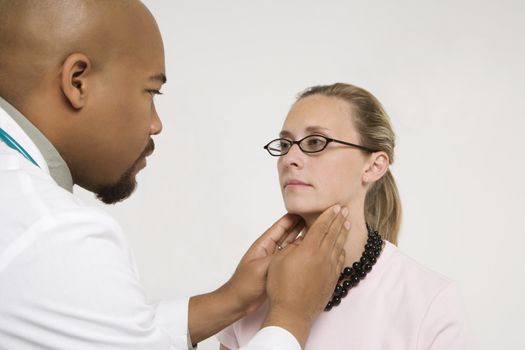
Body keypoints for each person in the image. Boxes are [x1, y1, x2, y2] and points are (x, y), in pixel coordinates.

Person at [0, 1, 352, 349]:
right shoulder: (52, 232)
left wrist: (232, 299)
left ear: (376, 164)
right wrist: (291, 315)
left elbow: (98, 328)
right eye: (150, 91)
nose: (156, 124)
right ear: (77, 82)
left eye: (317, 143)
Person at [218, 83, 472, 349]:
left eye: (315, 142)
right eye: (284, 144)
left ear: (374, 166)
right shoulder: (250, 292)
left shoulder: (429, 301)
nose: (289, 158)